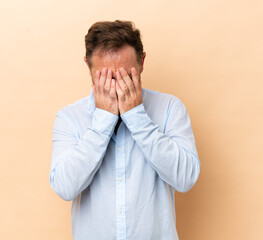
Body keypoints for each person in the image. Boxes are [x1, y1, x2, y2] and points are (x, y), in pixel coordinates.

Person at [49, 20, 200, 240]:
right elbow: (64, 187)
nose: (117, 86)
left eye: (126, 76)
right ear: (88, 66)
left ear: (142, 63)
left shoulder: (169, 108)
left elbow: (186, 178)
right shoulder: (70, 117)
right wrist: (102, 120)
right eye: (106, 78)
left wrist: (137, 116)